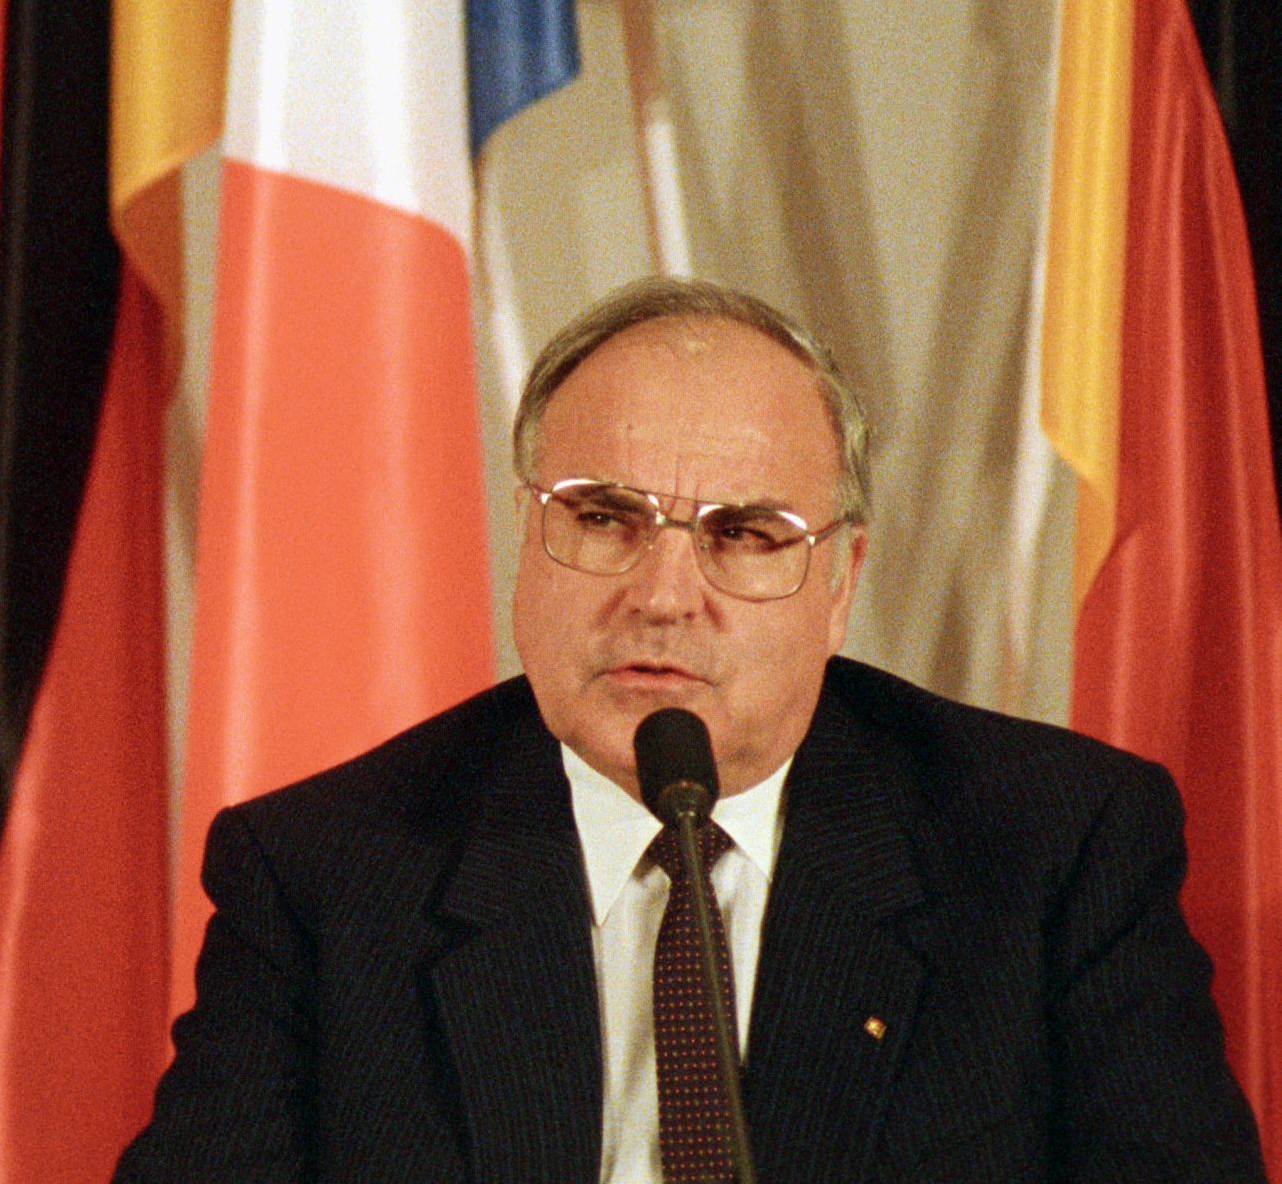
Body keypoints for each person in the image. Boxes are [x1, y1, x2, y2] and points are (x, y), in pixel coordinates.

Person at [118, 277, 1268, 1182]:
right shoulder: (327, 870)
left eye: (746, 534)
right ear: (529, 534)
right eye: (605, 517)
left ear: (841, 580)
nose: (664, 594)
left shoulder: (1049, 849)